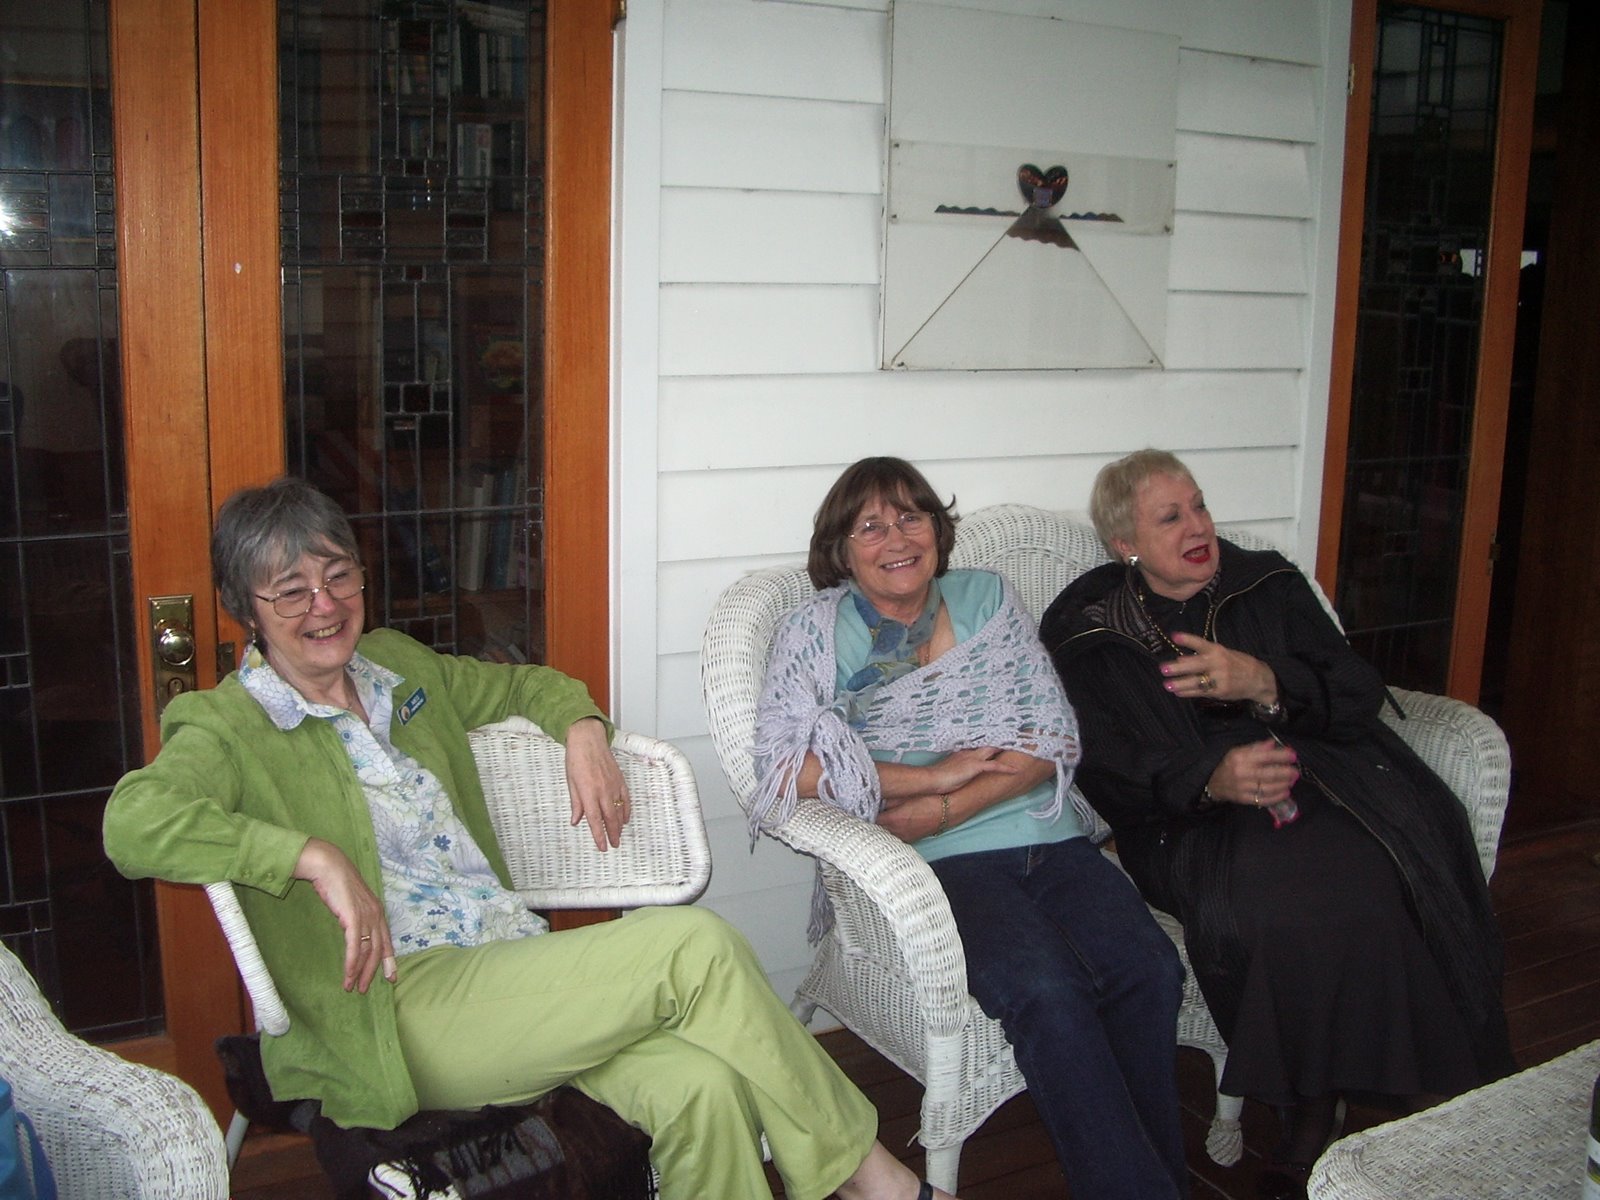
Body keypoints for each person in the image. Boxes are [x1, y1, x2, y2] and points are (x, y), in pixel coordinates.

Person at [102, 476, 957, 1200]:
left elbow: (526, 686)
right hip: (395, 1014)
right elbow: (134, 823)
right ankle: (872, 1179)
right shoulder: (226, 724)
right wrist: (308, 856)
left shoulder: (397, 667)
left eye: (339, 576)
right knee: (691, 947)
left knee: (701, 1088)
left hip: (508, 966)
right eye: (290, 591)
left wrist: (581, 726)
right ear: (244, 610)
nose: (324, 606)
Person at [1038, 450, 1515, 1200]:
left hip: (1333, 782)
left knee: (1370, 871)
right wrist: (1210, 778)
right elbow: (1102, 762)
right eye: (1171, 517)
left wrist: (1265, 682)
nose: (1199, 526)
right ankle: (1313, 1102)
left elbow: (1356, 691)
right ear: (1125, 543)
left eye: (1199, 505)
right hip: (1190, 822)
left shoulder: (1265, 582)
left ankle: (1399, 1086)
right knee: (1273, 897)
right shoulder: (1088, 629)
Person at [752, 456, 1190, 1200]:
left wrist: (939, 808)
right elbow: (788, 767)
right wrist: (933, 776)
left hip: (1043, 836)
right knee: (1047, 992)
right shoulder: (817, 633)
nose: (897, 538)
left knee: (1149, 969)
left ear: (937, 528)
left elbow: (1048, 735)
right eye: (871, 526)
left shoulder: (986, 596)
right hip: (937, 869)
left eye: (911, 516)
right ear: (841, 550)